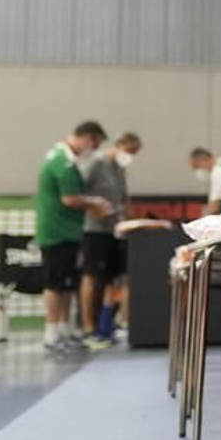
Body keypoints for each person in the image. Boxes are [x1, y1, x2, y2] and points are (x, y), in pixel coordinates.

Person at [35, 122, 113, 353]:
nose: (94, 149)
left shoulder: (68, 160)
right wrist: (95, 203)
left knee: (68, 285)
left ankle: (63, 329)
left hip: (69, 231)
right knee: (54, 284)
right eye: (95, 144)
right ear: (86, 138)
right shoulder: (63, 162)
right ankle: (51, 333)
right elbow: (69, 198)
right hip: (56, 232)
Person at [79, 131, 141, 349]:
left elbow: (124, 197)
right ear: (120, 144)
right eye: (130, 151)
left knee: (112, 279)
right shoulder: (96, 163)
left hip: (115, 229)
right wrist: (94, 207)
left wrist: (129, 219)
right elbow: (79, 191)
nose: (130, 156)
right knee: (92, 278)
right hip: (95, 229)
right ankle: (87, 327)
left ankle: (104, 326)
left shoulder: (119, 168)